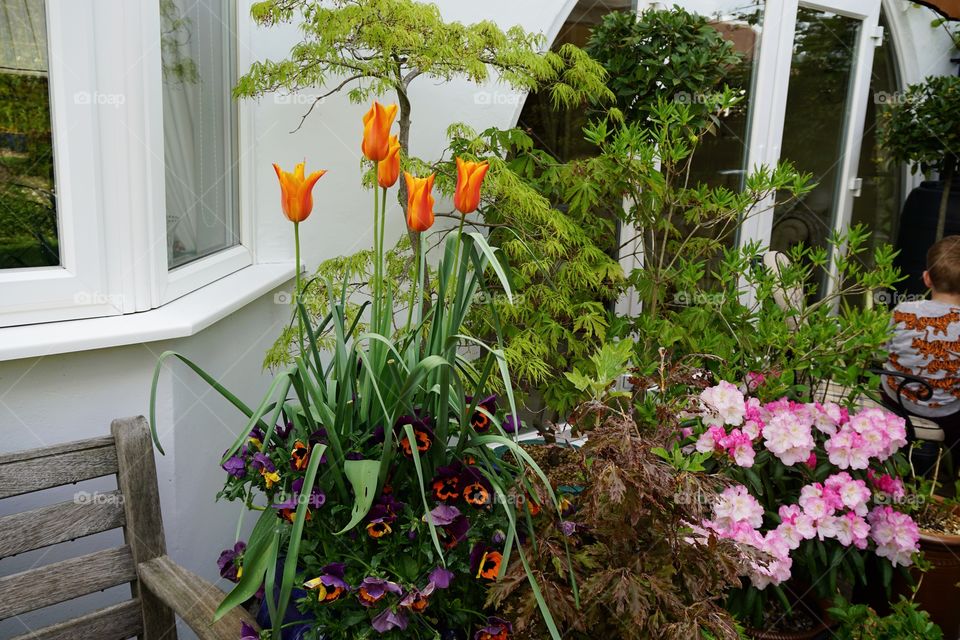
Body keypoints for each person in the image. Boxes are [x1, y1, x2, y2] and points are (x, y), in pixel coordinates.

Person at [882, 235, 960, 457]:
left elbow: (883, 350)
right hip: (947, 414)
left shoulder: (903, 310)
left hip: (896, 401)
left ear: (927, 279)